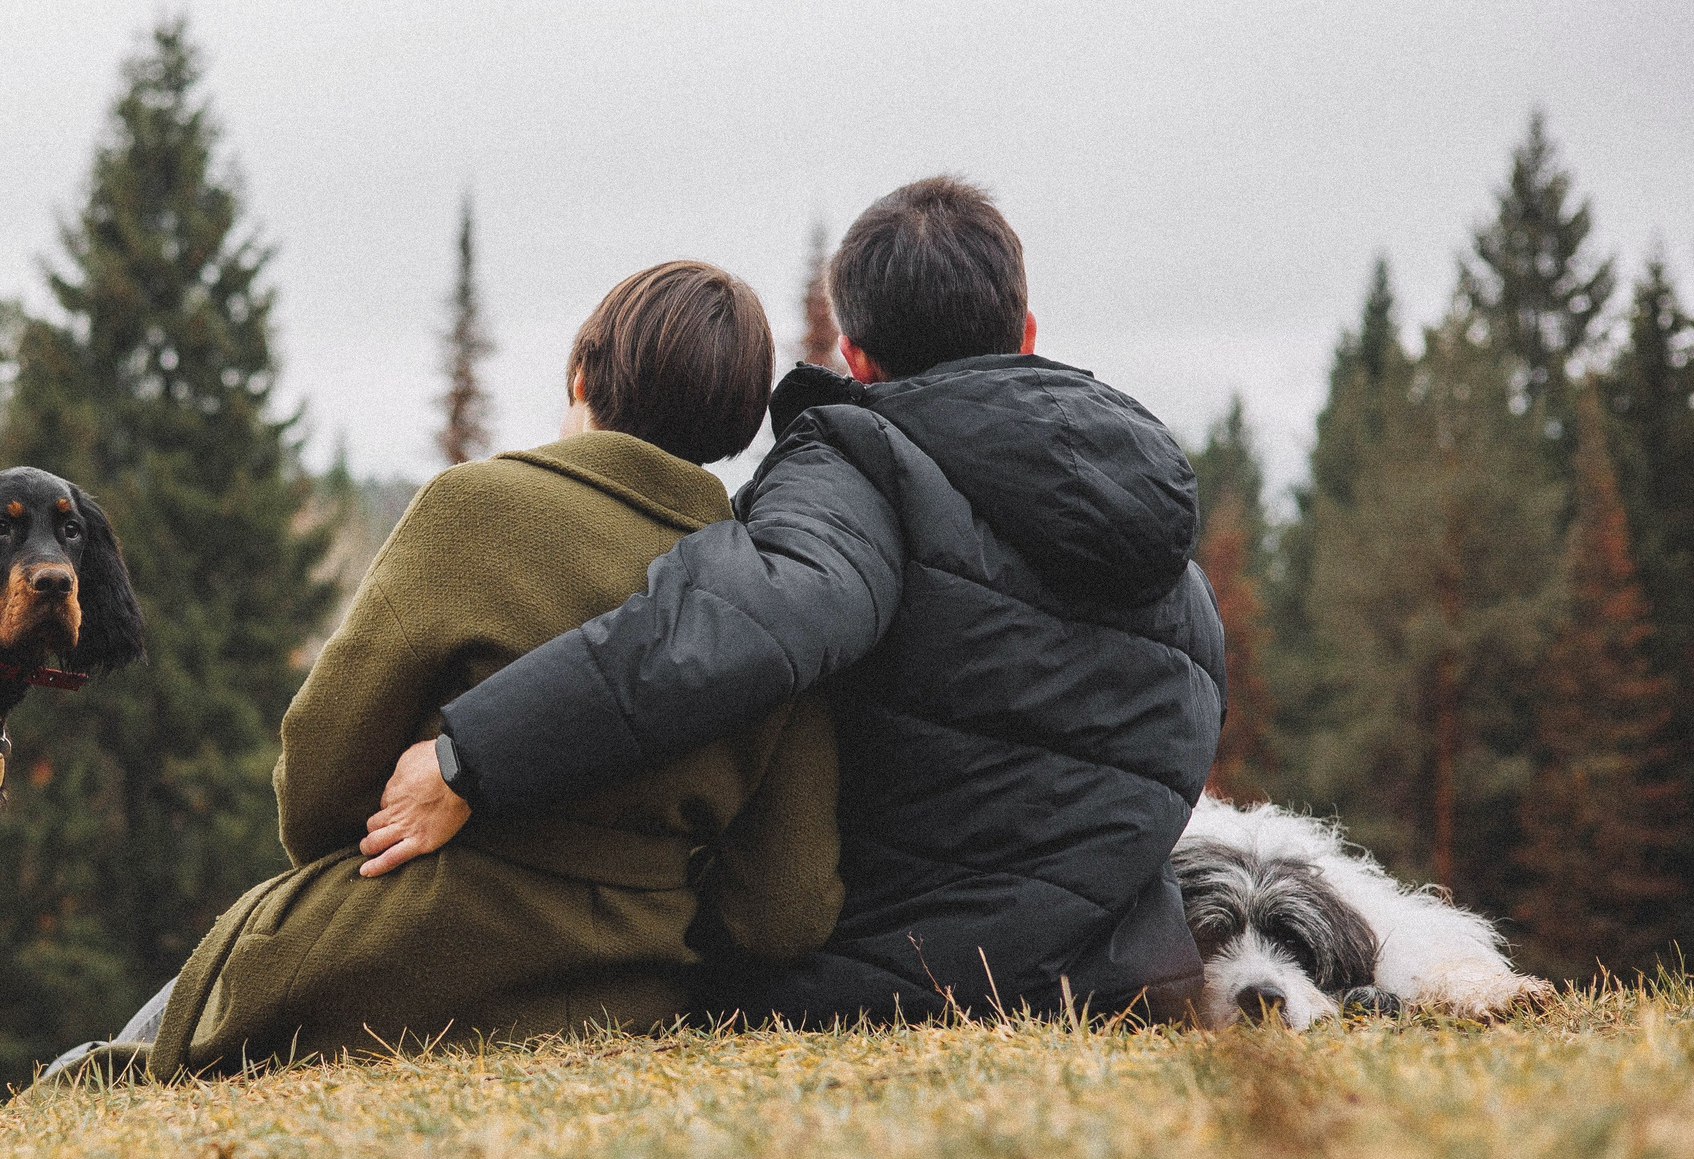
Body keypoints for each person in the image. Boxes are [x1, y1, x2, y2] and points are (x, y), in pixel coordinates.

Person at [361, 178, 1219, 1025]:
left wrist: (472, 755)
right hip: (1128, 980)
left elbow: (735, 629)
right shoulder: (1163, 542)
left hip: (901, 980)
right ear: (1025, 333)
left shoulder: (862, 466)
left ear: (856, 358)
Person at [46, 261, 845, 1082]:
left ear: (581, 376)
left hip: (392, 969)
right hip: (634, 994)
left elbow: (317, 790)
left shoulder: (475, 509)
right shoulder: (769, 597)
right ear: (738, 424)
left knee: (91, 1076)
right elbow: (782, 909)